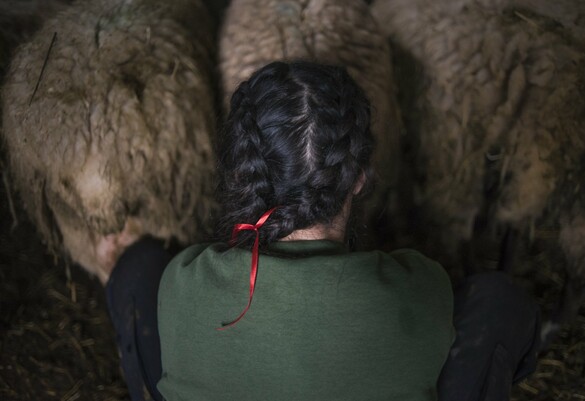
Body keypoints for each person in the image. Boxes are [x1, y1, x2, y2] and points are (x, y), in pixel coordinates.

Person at [105, 61, 540, 401]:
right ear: (359, 178)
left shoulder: (183, 281)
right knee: (498, 299)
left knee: (138, 268)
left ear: (243, 172)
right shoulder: (420, 290)